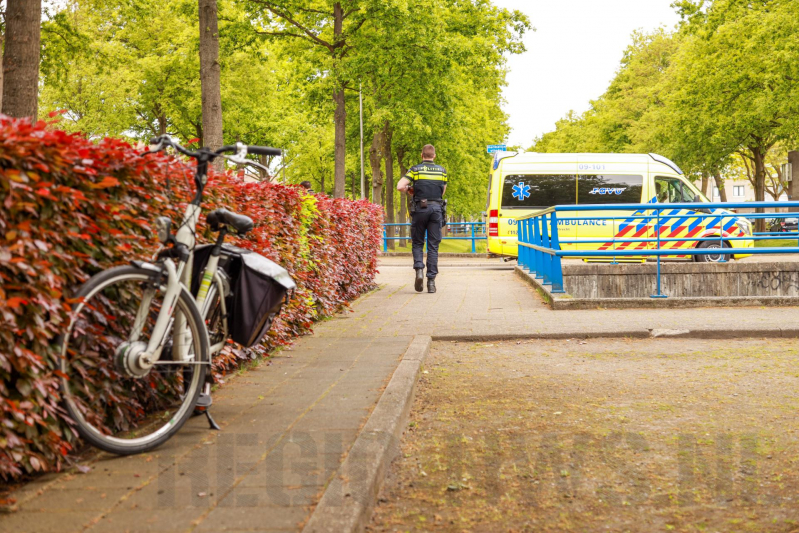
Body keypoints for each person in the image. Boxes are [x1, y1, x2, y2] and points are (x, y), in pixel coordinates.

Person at [396, 144, 447, 293]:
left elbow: (400, 186)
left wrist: (410, 190)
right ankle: (431, 282)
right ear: (434, 156)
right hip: (436, 209)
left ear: (421, 155)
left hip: (420, 208)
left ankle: (419, 270)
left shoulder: (415, 170)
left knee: (418, 242)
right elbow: (442, 192)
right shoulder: (442, 171)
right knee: (433, 246)